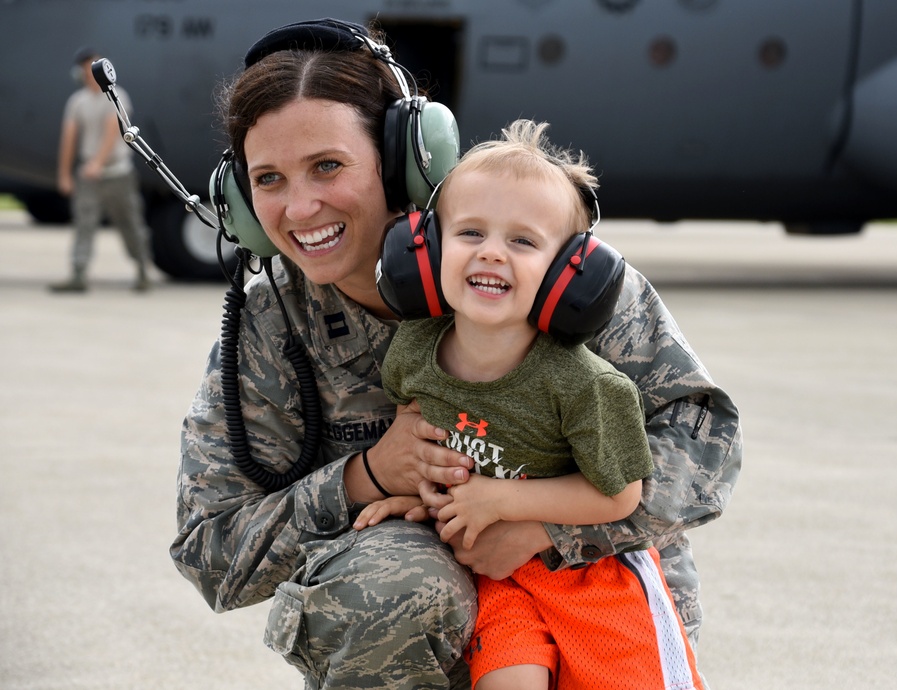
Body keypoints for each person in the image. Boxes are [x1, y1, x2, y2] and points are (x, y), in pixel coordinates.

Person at [170, 17, 742, 690]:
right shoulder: (272, 328)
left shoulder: (549, 272)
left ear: (400, 161)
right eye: (268, 179)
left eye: (328, 166)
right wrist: (367, 477)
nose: (301, 207)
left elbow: (706, 444)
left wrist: (543, 528)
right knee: (399, 583)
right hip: (412, 629)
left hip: (589, 599)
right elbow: (213, 550)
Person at [355, 118, 703, 690]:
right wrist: (413, 496)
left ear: (571, 274)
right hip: (495, 580)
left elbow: (619, 495)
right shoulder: (413, 351)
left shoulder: (587, 385)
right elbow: (419, 437)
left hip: (592, 575)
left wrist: (503, 500)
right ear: (429, 249)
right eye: (470, 233)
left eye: (522, 241)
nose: (492, 254)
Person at [50, 47, 151, 293]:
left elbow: (112, 131)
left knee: (130, 224)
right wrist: (64, 174)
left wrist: (98, 162)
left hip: (118, 173)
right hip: (89, 177)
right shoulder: (77, 102)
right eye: (87, 68)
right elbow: (69, 138)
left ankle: (142, 271)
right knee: (84, 224)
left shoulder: (117, 96)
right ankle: (78, 274)